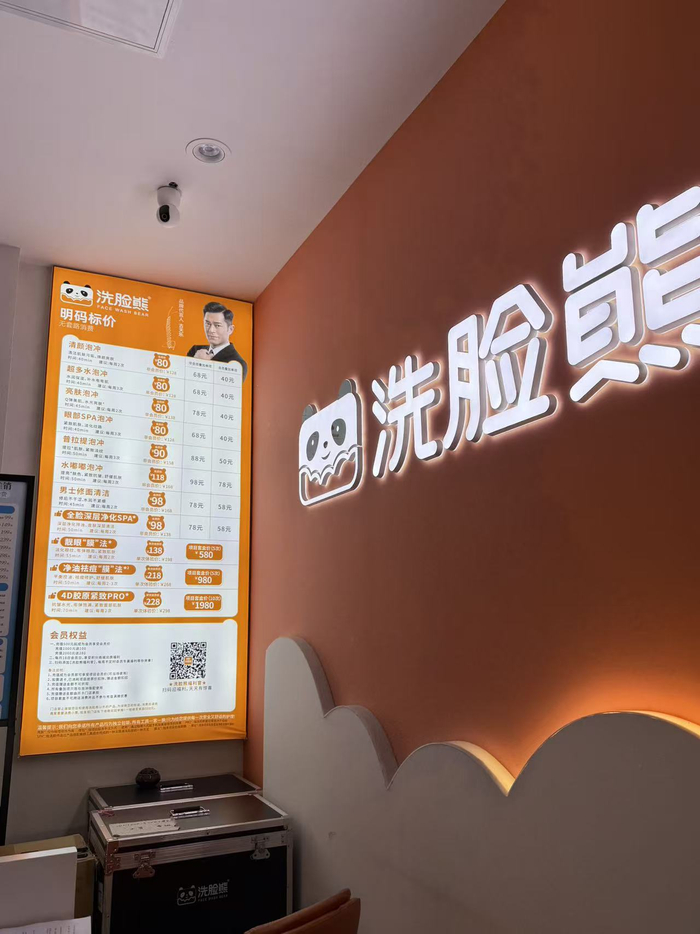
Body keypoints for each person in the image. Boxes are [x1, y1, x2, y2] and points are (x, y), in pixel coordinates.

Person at [187, 301, 248, 379]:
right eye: (207, 324)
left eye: (217, 325)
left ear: (230, 329)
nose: (211, 330)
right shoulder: (195, 350)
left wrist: (202, 364)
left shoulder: (238, 364)